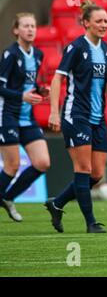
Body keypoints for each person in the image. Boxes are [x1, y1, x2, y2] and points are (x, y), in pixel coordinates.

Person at [46, 0, 107, 233]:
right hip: (76, 114)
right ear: (86, 23)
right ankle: (90, 223)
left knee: (97, 174)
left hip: (98, 118)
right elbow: (57, 79)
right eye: (99, 21)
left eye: (106, 21)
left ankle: (57, 203)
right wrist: (53, 112)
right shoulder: (76, 48)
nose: (104, 25)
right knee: (83, 168)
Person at [0, 13, 51, 222]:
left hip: (27, 118)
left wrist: (40, 90)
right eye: (26, 26)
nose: (30, 29)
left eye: (33, 26)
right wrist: (21, 96)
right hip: (8, 116)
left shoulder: (38, 54)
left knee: (43, 163)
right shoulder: (10, 55)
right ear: (16, 30)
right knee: (11, 166)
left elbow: (28, 84)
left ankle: (8, 197)